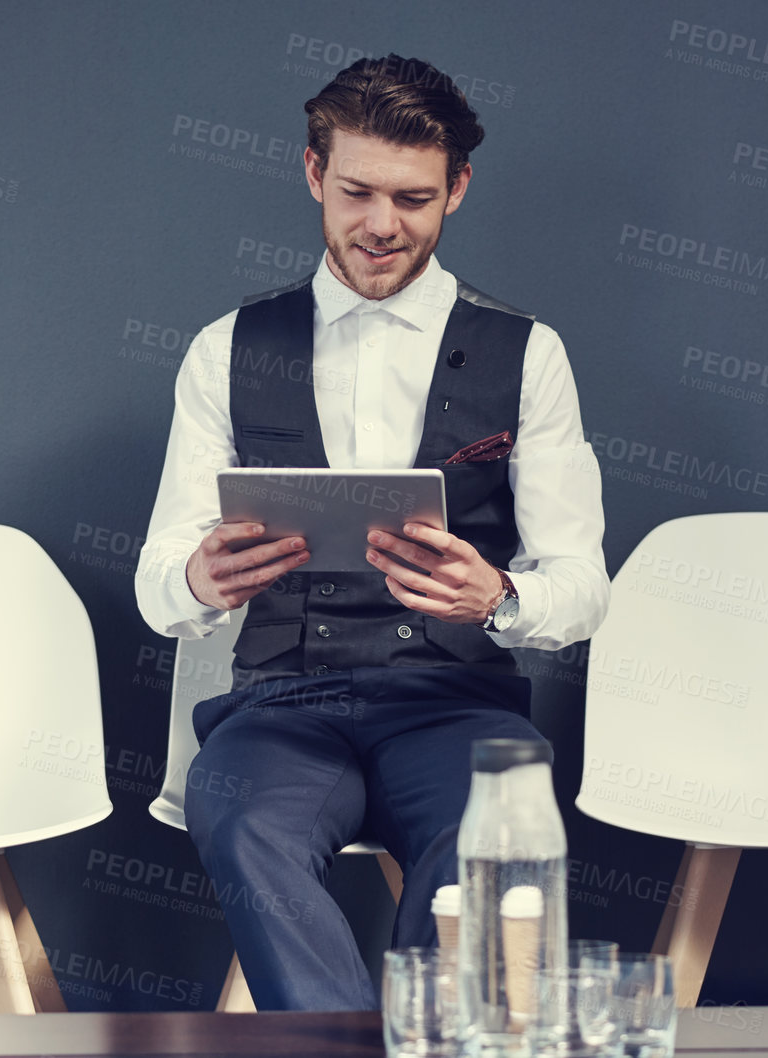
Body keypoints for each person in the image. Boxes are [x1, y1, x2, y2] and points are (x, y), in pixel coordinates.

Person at [134, 54, 610, 1011]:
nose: (381, 226)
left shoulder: (530, 354)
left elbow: (581, 586)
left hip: (452, 704)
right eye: (355, 192)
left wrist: (502, 596)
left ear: (457, 191)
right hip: (279, 704)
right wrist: (201, 576)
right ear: (314, 173)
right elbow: (155, 586)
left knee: (485, 834)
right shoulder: (229, 348)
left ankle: (415, 1032)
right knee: (235, 817)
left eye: (413, 198)